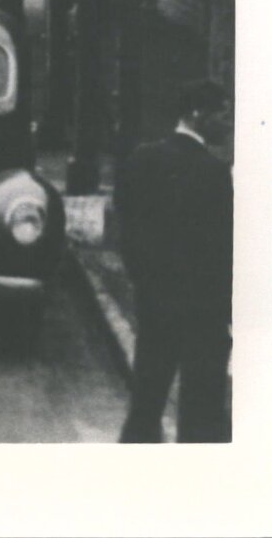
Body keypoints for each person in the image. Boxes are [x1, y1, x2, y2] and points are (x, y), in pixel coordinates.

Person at [115, 79, 233, 442]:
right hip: (203, 310)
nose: (226, 124)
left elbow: (126, 229)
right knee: (201, 412)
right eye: (221, 114)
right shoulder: (214, 173)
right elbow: (222, 248)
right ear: (197, 114)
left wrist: (144, 281)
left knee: (146, 402)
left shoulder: (141, 158)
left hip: (153, 302)